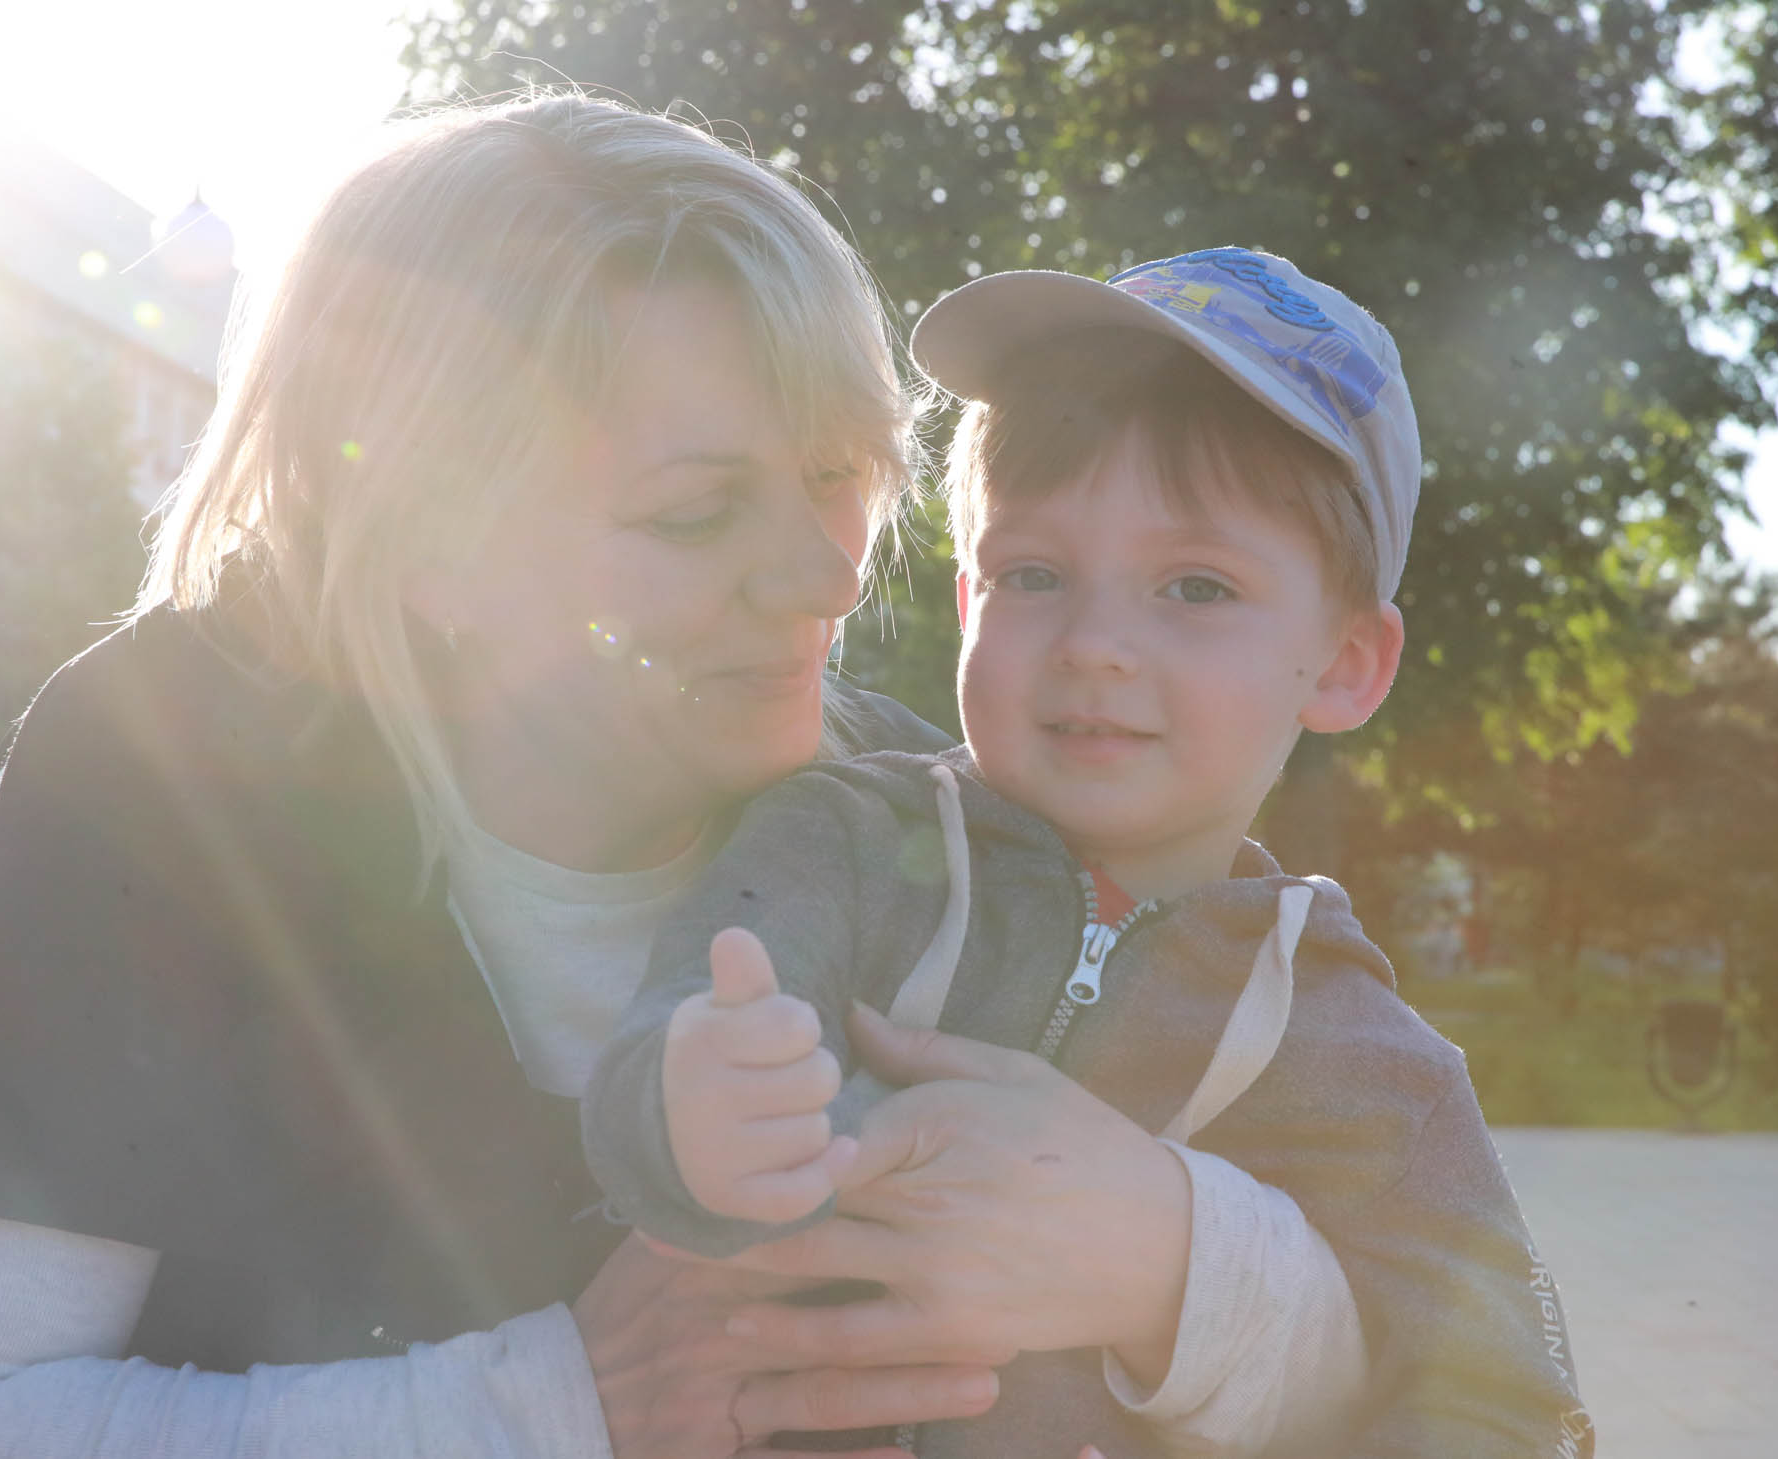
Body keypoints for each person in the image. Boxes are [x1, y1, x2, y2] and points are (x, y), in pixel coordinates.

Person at [0, 101, 1373, 1459]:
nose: (826, 577)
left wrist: (1180, 1255)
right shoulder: (155, 797)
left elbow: (1414, 1357)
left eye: (837, 476)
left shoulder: (937, 828)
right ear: (428, 544)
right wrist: (558, 1401)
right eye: (695, 513)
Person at [583, 248, 1597, 1458]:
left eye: (1195, 588)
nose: (1094, 642)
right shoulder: (839, 839)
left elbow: (1514, 1403)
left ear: (1342, 664)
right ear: (969, 603)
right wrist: (690, 1109)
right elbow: (670, 1038)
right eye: (1035, 573)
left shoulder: (1368, 1061)